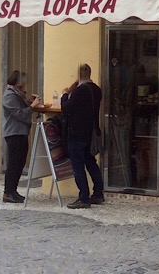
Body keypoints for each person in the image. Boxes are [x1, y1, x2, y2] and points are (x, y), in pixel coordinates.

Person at [61, 63, 104, 208]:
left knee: (78, 166)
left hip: (77, 133)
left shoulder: (79, 91)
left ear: (78, 74)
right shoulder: (96, 90)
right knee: (91, 162)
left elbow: (66, 108)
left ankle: (83, 197)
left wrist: (65, 95)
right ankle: (98, 193)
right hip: (91, 133)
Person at [2, 70, 40, 203]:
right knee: (14, 163)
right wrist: (32, 106)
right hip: (14, 133)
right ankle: (8, 192)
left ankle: (13, 190)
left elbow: (22, 107)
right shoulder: (9, 95)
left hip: (21, 132)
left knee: (20, 162)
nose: (25, 83)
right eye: (23, 80)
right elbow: (20, 114)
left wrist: (30, 102)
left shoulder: (18, 94)